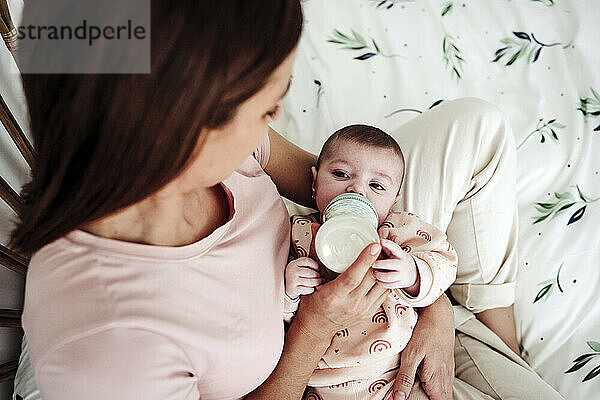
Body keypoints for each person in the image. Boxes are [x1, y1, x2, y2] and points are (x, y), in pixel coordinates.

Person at [9, 1, 564, 400]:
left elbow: (344, 194)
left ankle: (491, 335)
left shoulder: (203, 148)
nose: (275, 124)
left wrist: (432, 301)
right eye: (269, 106)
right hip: (326, 369)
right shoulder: (109, 348)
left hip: (377, 281)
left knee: (477, 126)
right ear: (179, 129)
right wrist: (316, 326)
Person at [284, 124, 458, 400]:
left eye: (376, 185)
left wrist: (412, 273)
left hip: (393, 374)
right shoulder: (298, 235)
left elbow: (445, 260)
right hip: (321, 385)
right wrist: (289, 290)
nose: (356, 190)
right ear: (315, 183)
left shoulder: (399, 231)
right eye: (340, 174)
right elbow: (272, 314)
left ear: (393, 200)